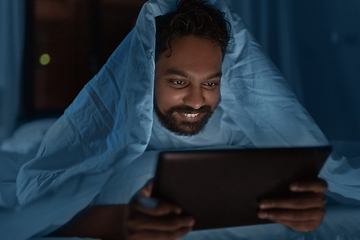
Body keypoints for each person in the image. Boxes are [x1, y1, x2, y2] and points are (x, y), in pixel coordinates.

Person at [0, 0, 330, 239]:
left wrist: (305, 210)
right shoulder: (90, 142)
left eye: (211, 83)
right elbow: (33, 216)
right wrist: (112, 222)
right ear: (146, 79)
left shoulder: (249, 139)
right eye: (178, 82)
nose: (197, 100)